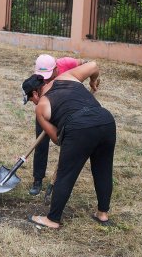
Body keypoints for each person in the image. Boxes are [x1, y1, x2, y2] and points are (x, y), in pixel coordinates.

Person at [22, 61, 116, 229]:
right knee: (103, 169)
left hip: (79, 128)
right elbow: (94, 65)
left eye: (30, 99)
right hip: (106, 120)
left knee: (66, 173)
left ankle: (53, 219)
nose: (33, 103)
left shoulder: (41, 106)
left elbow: (58, 139)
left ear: (35, 93)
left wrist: (63, 123)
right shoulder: (67, 76)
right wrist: (93, 81)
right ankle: (102, 213)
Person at [25, 54, 89, 195]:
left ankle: (57, 182)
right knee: (40, 143)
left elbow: (86, 64)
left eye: (48, 75)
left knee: (67, 143)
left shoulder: (66, 63)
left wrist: (90, 79)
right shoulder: (39, 74)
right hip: (46, 108)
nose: (45, 79)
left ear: (55, 68)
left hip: (65, 108)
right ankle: (38, 179)